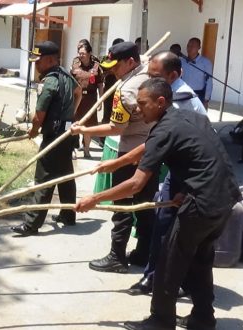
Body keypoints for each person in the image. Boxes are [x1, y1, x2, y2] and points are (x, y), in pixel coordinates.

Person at [76, 78, 241, 330]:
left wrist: (94, 199)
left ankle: (161, 321)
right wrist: (116, 163)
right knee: (199, 261)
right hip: (226, 198)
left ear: (160, 102)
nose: (137, 109)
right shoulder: (188, 117)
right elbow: (151, 147)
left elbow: (136, 184)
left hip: (201, 204)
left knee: (169, 262)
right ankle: (203, 318)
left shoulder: (164, 129)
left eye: (142, 104)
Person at [97, 51, 207, 295]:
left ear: (174, 75)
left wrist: (94, 199)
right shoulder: (166, 97)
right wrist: (117, 163)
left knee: (172, 228)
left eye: (155, 76)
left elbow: (138, 177)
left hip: (192, 175)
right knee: (159, 220)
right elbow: (154, 142)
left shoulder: (179, 102)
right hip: (178, 170)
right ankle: (154, 274)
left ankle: (167, 284)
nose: (149, 81)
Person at [71, 42, 156, 272]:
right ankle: (143, 253)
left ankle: (117, 256)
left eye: (116, 66)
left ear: (130, 62)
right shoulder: (150, 73)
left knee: (121, 205)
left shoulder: (126, 89)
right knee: (145, 204)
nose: (112, 71)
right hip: (153, 150)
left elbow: (115, 128)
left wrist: (84, 130)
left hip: (130, 152)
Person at [10, 41, 82, 235]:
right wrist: (70, 116)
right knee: (66, 175)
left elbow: (39, 114)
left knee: (44, 177)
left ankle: (31, 224)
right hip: (68, 134)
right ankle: (68, 214)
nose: (36, 65)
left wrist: (34, 130)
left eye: (38, 61)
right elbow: (79, 92)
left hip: (54, 136)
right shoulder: (67, 75)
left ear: (50, 60)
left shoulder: (49, 81)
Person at [71, 42, 104, 158]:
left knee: (88, 125)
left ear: (89, 53)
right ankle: (73, 149)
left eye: (83, 53)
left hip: (90, 98)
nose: (81, 55)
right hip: (77, 98)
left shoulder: (96, 66)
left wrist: (101, 100)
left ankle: (86, 149)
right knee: (75, 123)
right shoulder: (75, 64)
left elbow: (100, 84)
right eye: (79, 53)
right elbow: (71, 79)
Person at [181, 37, 213, 108]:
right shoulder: (182, 61)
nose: (189, 48)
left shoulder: (206, 62)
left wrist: (206, 99)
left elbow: (209, 81)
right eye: (188, 46)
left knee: (197, 118)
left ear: (199, 47)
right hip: (183, 94)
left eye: (193, 46)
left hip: (198, 94)